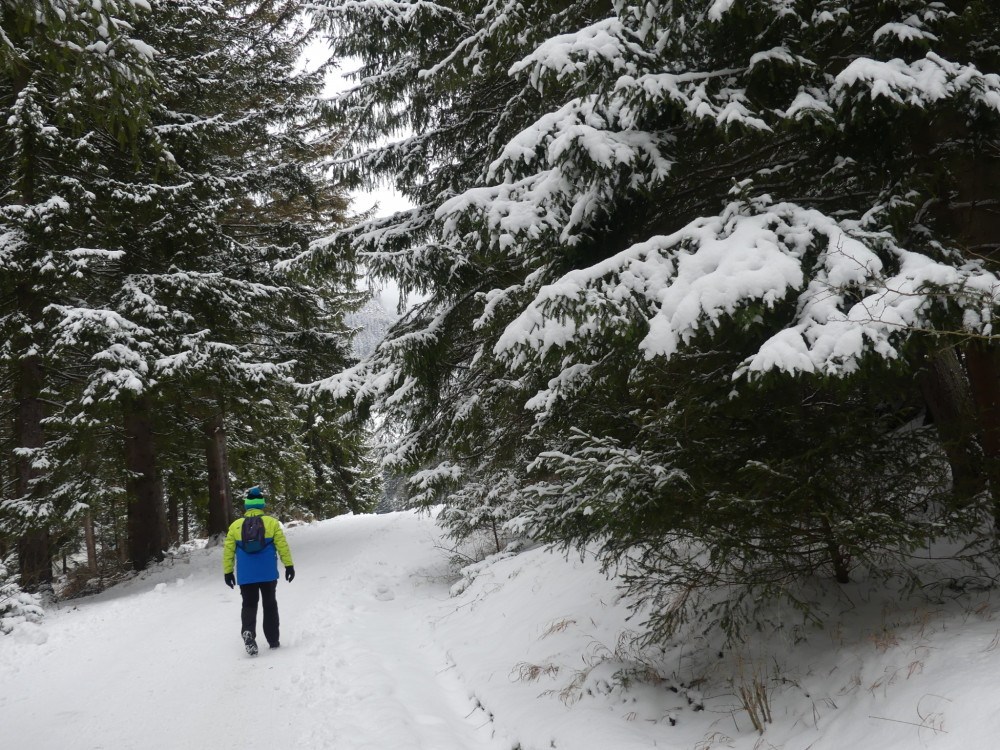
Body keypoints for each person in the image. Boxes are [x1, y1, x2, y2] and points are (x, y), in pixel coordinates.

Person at [223, 486, 295, 655]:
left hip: (246, 575)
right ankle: (273, 640)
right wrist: (289, 565)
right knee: (269, 604)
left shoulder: (235, 526)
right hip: (267, 573)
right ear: (261, 505)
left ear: (247, 506)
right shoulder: (271, 523)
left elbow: (228, 551)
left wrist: (228, 572)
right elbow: (282, 546)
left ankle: (248, 631)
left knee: (249, 604)